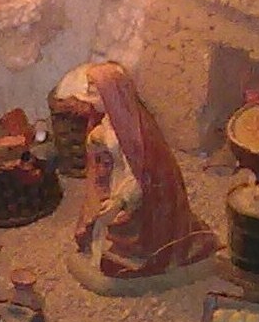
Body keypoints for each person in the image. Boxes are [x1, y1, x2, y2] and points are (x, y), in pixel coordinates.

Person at [70, 62, 218, 278]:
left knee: (123, 225)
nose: (90, 97)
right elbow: (104, 148)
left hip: (139, 192)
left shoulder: (136, 132)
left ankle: (135, 252)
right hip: (115, 177)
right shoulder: (110, 119)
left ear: (111, 95)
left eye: (96, 92)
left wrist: (120, 200)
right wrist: (96, 140)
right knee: (98, 217)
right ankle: (105, 247)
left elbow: (141, 173)